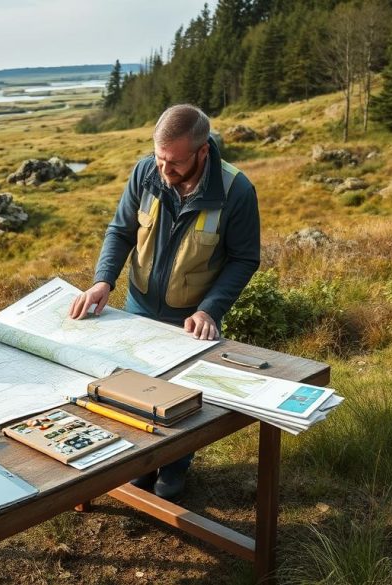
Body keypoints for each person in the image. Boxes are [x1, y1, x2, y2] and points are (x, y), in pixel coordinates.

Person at [68, 104, 260, 499]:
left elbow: (244, 258)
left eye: (174, 163)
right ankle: (140, 462)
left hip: (192, 318)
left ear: (202, 151)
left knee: (181, 400)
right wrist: (103, 281)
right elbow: (120, 231)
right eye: (159, 159)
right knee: (132, 390)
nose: (164, 171)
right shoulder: (144, 172)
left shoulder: (236, 190)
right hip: (138, 306)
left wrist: (211, 308)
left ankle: (175, 467)